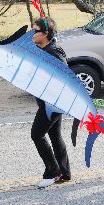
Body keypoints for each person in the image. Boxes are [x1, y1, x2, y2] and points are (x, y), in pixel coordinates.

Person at [30, 17, 72, 188]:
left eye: (35, 31)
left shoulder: (53, 52)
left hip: (52, 104)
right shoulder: (43, 48)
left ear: (45, 34)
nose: (32, 34)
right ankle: (65, 172)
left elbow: (65, 76)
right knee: (55, 136)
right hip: (48, 103)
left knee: (37, 134)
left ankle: (52, 171)